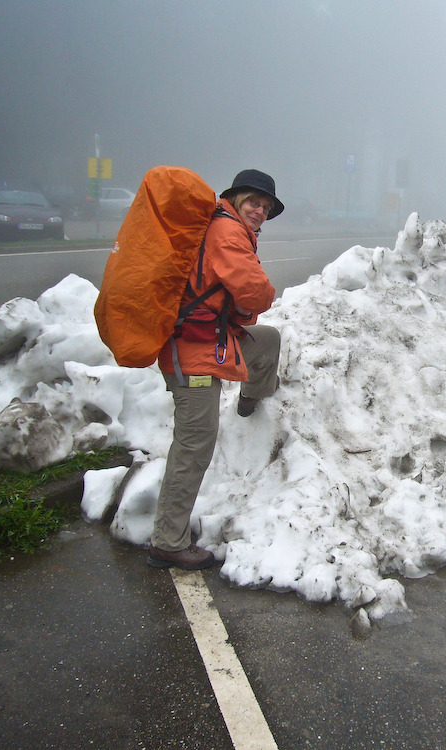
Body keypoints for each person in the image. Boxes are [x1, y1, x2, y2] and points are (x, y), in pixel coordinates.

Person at [148, 169, 285, 570]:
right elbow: (256, 291)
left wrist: (242, 310)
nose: (259, 211)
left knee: (268, 340)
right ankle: (167, 542)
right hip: (191, 353)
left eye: (266, 206)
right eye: (253, 202)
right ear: (236, 199)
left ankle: (250, 402)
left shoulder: (229, 227)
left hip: (214, 340)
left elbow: (241, 301)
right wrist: (250, 303)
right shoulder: (227, 232)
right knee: (195, 444)